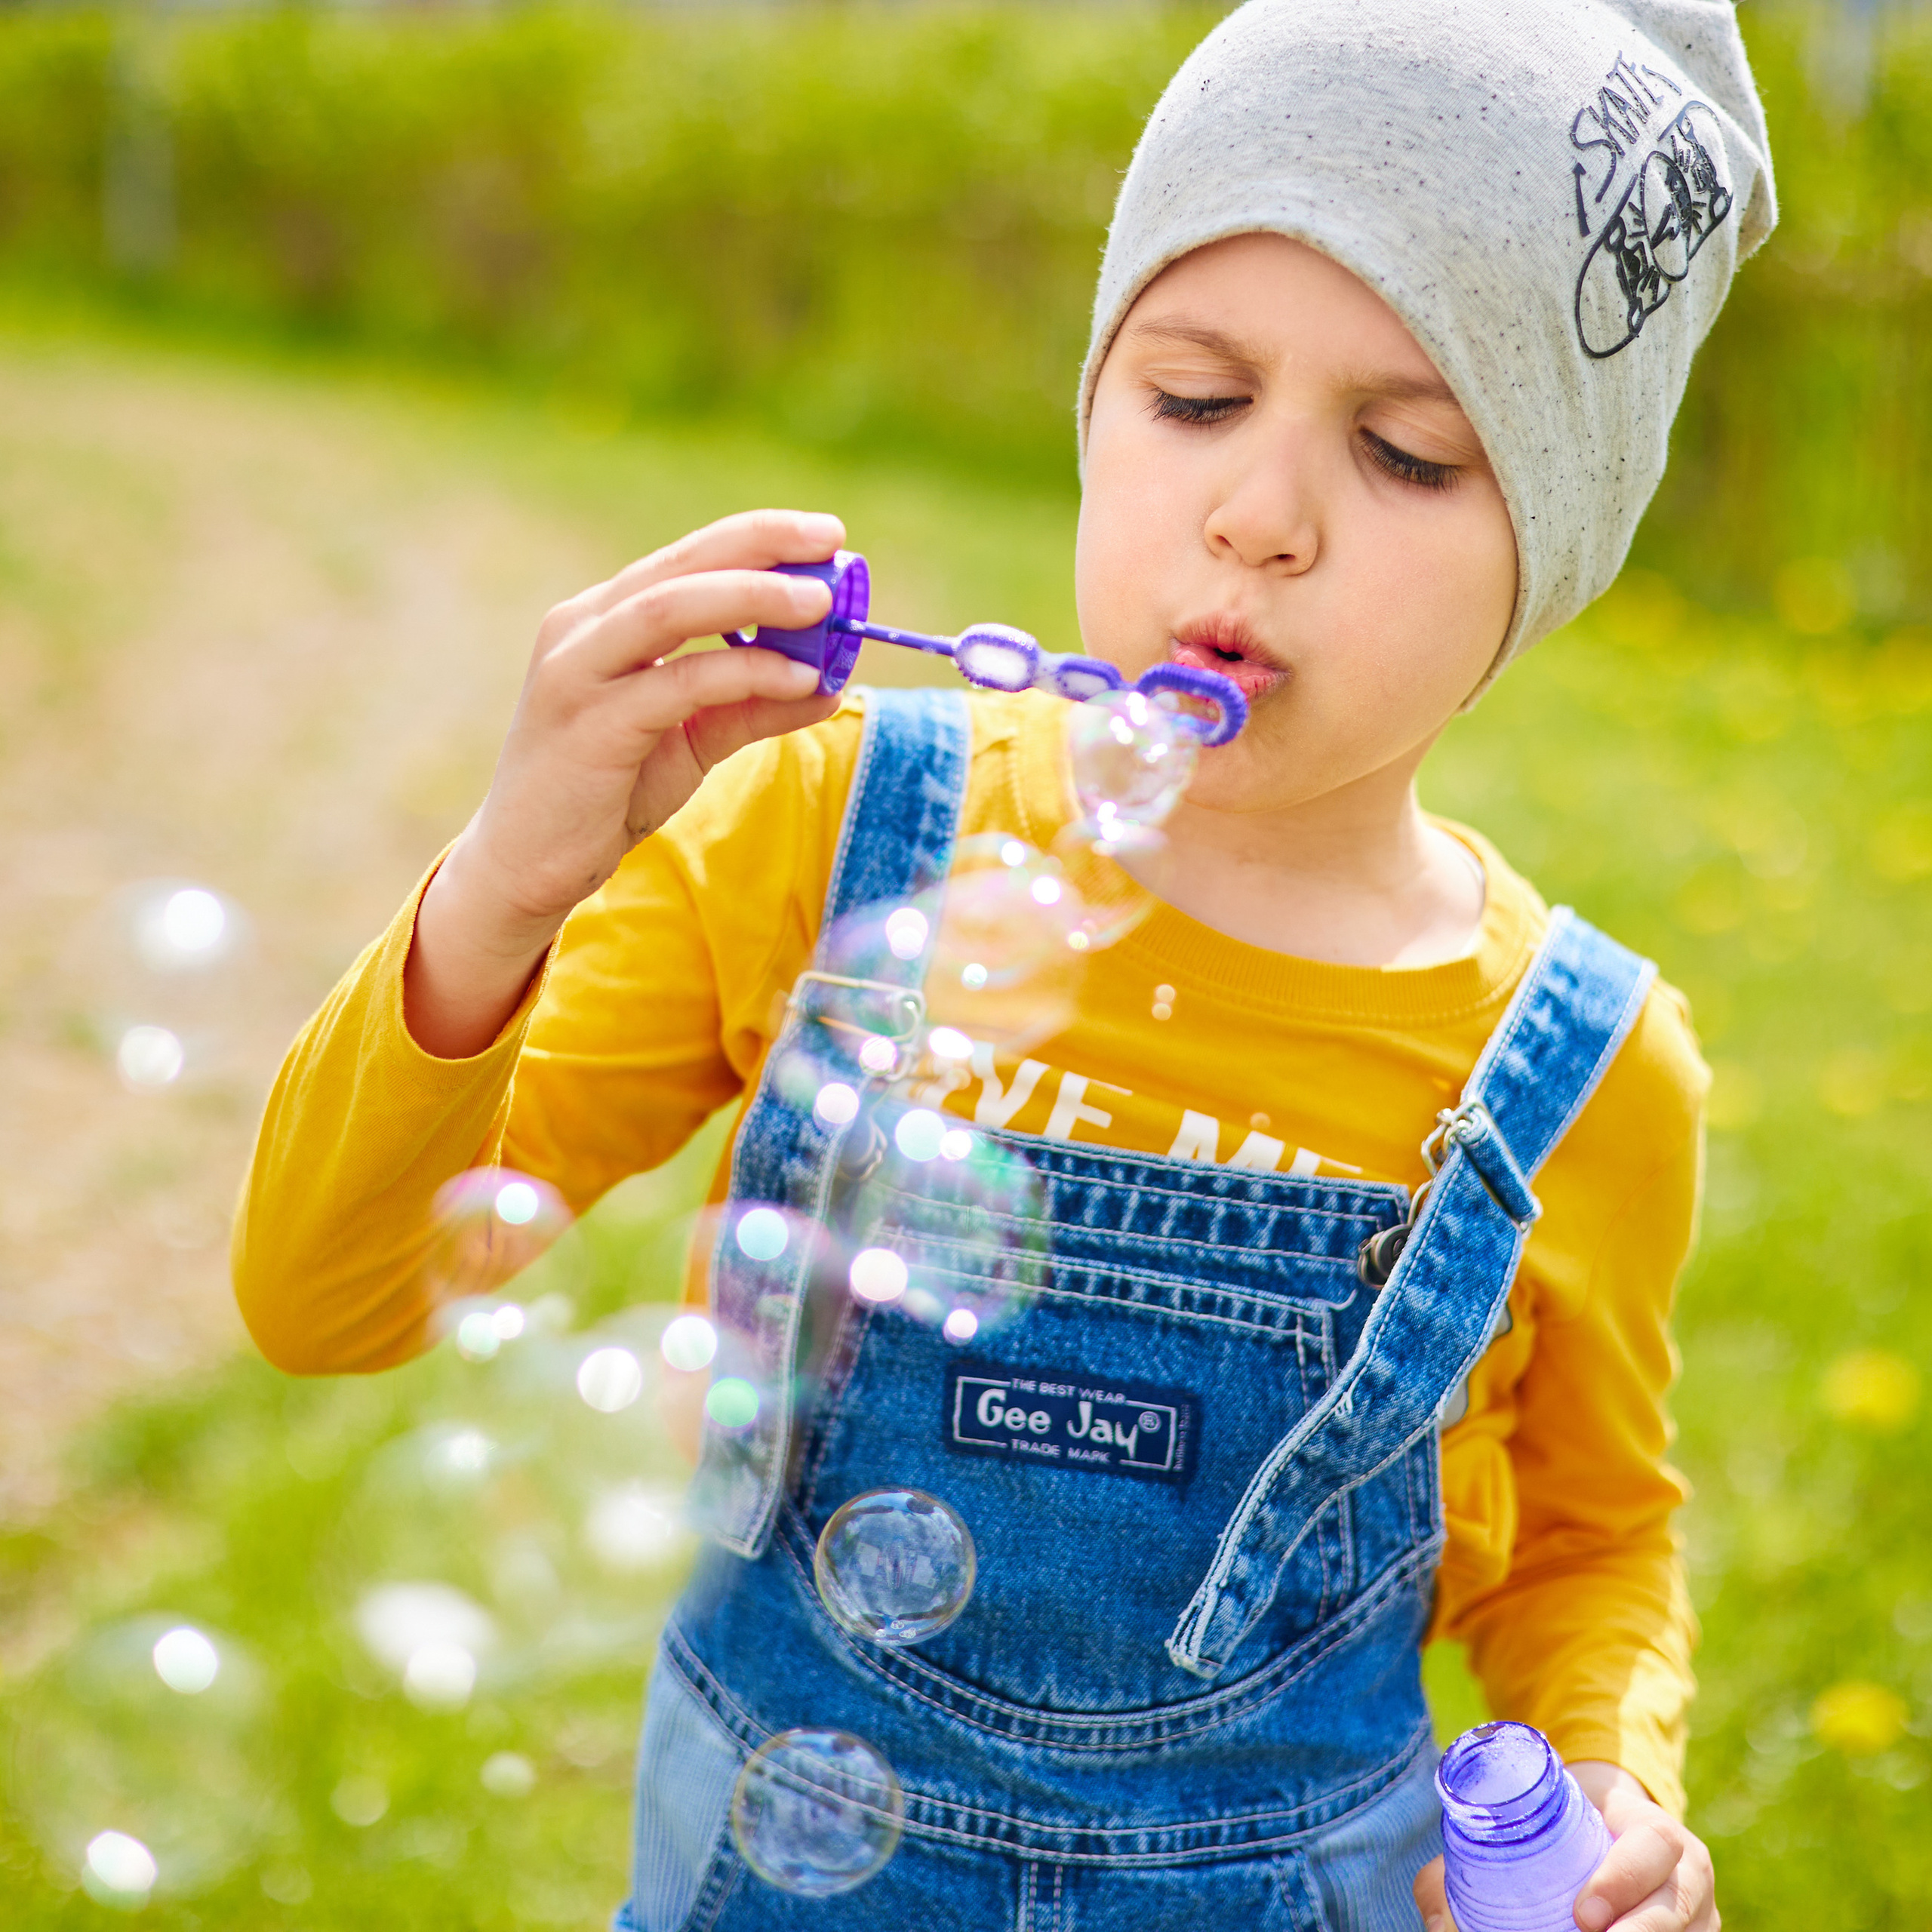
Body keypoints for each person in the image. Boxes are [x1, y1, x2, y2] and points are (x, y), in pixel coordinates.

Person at [232, 1, 1776, 1927]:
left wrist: (1615, 1776)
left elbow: (1583, 1542)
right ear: (1093, 399)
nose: (1256, 515)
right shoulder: (817, 842)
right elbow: (326, 1293)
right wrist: (503, 887)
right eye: (1193, 400)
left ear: (1544, 552)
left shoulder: (1580, 1063)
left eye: (1402, 451)